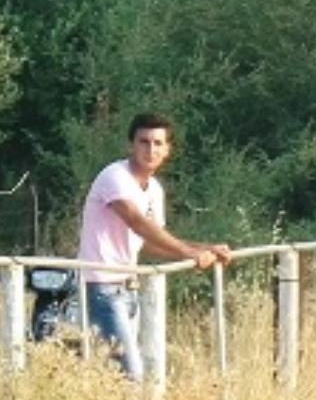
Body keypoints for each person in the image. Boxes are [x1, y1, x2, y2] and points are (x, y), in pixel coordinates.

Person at [76, 112, 232, 380]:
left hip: (128, 288)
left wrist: (207, 249)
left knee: (114, 375)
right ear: (131, 145)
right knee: (129, 374)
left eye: (158, 143)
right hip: (101, 287)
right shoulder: (114, 177)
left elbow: (150, 242)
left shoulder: (154, 189)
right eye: (143, 142)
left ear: (168, 150)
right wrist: (191, 254)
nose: (150, 150)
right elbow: (136, 222)